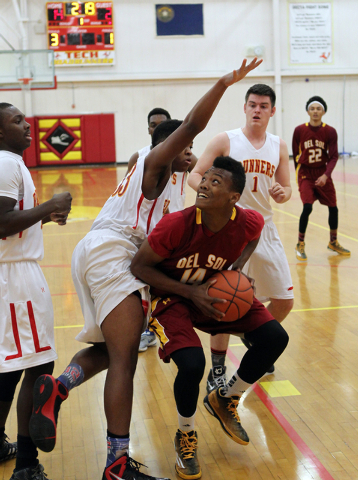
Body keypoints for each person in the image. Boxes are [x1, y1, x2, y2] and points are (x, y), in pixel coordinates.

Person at [29, 58, 262, 480]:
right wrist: (225, 83)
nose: (192, 155)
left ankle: (59, 387)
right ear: (169, 146)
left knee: (114, 349)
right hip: (114, 254)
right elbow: (190, 125)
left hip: (100, 254)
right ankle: (116, 466)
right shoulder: (155, 164)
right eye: (185, 148)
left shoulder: (175, 181)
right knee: (126, 364)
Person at [130, 157, 289, 480]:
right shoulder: (177, 224)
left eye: (215, 182)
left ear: (233, 198)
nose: (203, 184)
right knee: (191, 365)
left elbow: (256, 230)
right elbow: (140, 267)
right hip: (172, 297)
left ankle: (225, 398)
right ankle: (186, 434)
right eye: (205, 179)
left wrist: (237, 269)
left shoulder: (246, 222)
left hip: (215, 292)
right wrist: (190, 293)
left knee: (275, 337)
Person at [188, 84, 294, 392]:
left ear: (272, 111)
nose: (257, 110)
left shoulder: (279, 145)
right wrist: (215, 196)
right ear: (245, 108)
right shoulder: (226, 140)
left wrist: (281, 192)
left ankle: (253, 336)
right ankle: (218, 368)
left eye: (263, 105)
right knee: (223, 299)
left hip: (264, 228)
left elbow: (286, 190)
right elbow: (196, 176)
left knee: (284, 300)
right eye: (252, 104)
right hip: (228, 228)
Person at [0, 103, 72, 479]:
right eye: (16, 121)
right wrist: (50, 204)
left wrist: (44, 214)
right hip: (15, 280)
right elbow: (1, 223)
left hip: (11, 277)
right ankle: (27, 466)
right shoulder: (6, 163)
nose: (27, 125)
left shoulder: (12, 163)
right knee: (36, 368)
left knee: (10, 368)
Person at [126, 108, 198, 352]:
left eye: (162, 124)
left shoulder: (184, 156)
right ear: (148, 129)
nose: (157, 127)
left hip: (174, 226)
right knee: (144, 283)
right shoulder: (143, 157)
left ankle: (171, 326)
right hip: (149, 229)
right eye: (153, 124)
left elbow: (202, 172)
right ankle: (147, 329)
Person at [292, 95, 350, 261]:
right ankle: (300, 244)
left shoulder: (330, 131)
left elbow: (333, 156)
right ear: (308, 111)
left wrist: (326, 175)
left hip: (322, 173)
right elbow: (295, 154)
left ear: (323, 111)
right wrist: (299, 177)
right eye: (312, 108)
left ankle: (333, 241)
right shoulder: (299, 130)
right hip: (305, 174)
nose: (315, 111)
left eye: (318, 108)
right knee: (307, 207)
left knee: (334, 208)